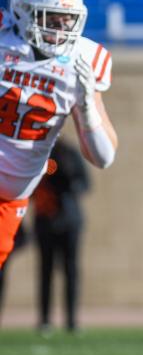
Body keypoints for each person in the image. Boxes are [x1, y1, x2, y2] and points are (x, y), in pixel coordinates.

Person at [0, 0, 118, 280]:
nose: (62, 28)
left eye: (68, 20)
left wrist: (86, 104)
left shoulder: (83, 61)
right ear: (23, 12)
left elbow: (103, 157)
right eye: (52, 18)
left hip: (10, 199)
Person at [34, 140, 90, 334]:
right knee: (46, 270)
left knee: (70, 271)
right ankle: (45, 320)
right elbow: (38, 181)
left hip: (69, 221)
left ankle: (71, 319)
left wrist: (70, 182)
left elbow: (84, 183)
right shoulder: (39, 155)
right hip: (46, 221)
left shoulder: (70, 153)